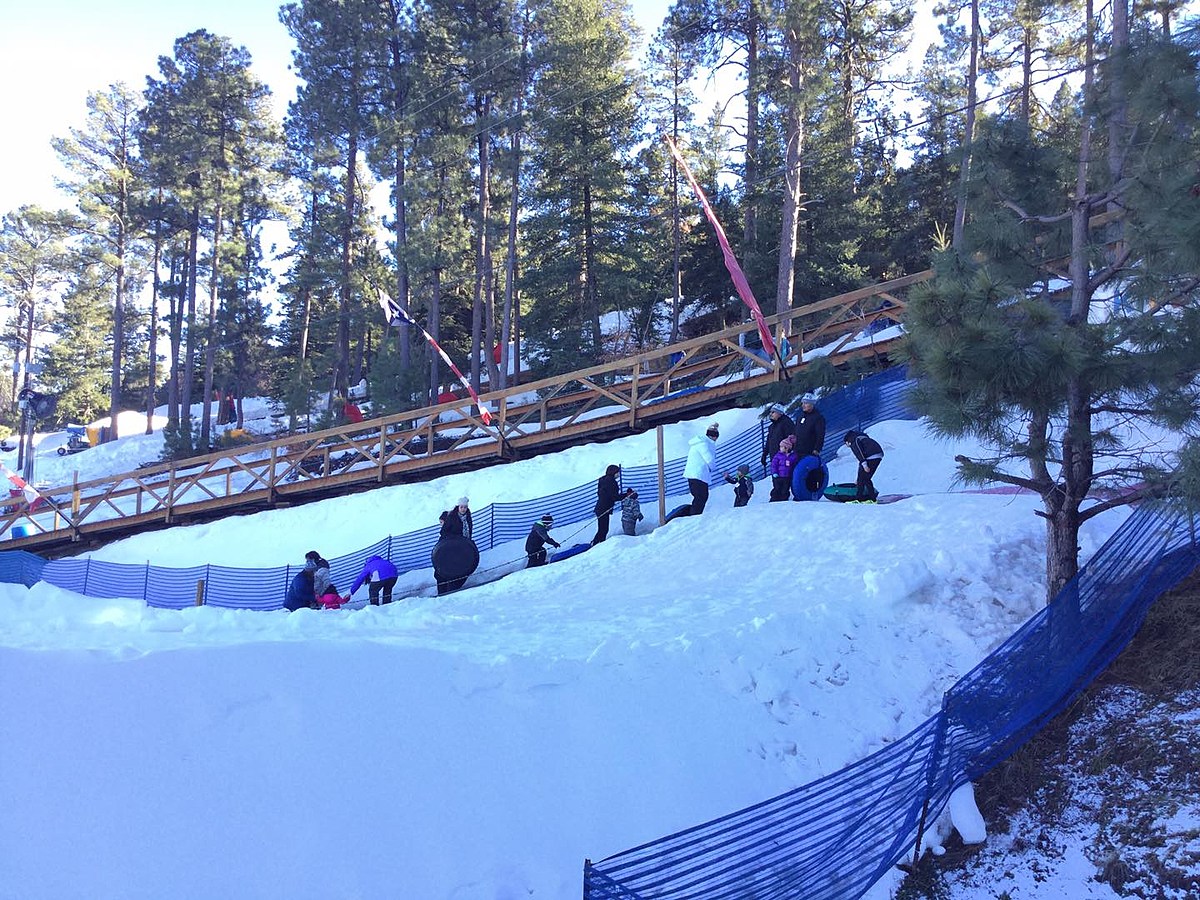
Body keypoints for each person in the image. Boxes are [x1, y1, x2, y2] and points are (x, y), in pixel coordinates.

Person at [684, 423, 719, 514]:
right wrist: (715, 468)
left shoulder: (701, 442)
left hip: (696, 474)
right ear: (713, 436)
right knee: (701, 496)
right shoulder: (703, 444)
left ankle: (695, 514)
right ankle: (694, 516)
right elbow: (709, 459)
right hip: (698, 474)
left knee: (701, 496)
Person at [844, 429, 884, 501]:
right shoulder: (860, 437)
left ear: (847, 442)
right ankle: (869, 498)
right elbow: (861, 462)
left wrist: (865, 465)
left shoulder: (854, 441)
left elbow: (859, 453)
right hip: (878, 455)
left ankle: (861, 499)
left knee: (864, 479)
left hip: (871, 456)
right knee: (864, 478)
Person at [593, 464, 624, 544]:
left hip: (600, 507)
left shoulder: (602, 480)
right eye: (617, 472)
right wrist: (626, 495)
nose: (618, 474)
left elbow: (602, 494)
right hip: (604, 509)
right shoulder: (612, 482)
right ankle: (598, 544)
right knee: (604, 530)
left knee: (601, 529)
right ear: (613, 472)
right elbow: (614, 497)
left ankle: (596, 543)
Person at [761, 404, 794, 472]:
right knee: (776, 479)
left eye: (773, 412)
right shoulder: (772, 427)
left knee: (785, 479)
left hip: (784, 459)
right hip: (775, 459)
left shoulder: (787, 423)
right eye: (770, 412)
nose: (771, 414)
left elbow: (792, 440)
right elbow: (769, 441)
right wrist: (764, 454)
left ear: (779, 413)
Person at [793, 393, 826, 460]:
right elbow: (796, 432)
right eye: (803, 403)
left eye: (806, 403)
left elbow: (820, 435)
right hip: (798, 451)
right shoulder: (800, 417)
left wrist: (817, 449)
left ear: (812, 404)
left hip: (810, 451)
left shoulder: (818, 418)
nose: (803, 405)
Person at [770, 435, 799, 502]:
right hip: (779, 476)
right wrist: (774, 472)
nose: (780, 448)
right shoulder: (778, 456)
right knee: (777, 488)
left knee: (785, 489)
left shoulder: (792, 456)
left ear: (787, 448)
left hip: (787, 477)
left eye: (781, 447)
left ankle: (784, 499)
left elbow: (794, 464)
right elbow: (774, 465)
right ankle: (774, 498)